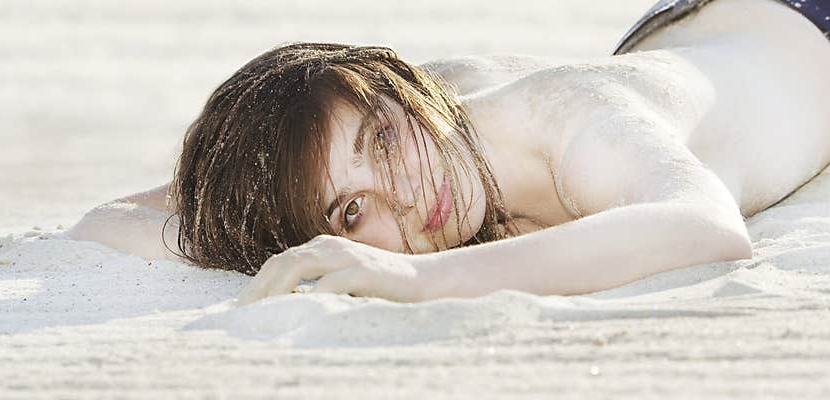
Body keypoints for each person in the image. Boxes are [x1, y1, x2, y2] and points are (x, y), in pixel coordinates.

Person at [70, 0, 830, 302]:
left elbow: (706, 227)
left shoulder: (571, 118)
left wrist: (414, 274)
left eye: (383, 137)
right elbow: (107, 221)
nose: (404, 192)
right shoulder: (421, 124)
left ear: (406, 92)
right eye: (351, 207)